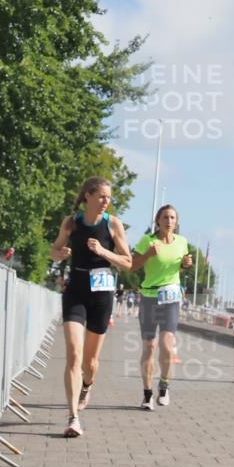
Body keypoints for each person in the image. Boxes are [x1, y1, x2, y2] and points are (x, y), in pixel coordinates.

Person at [50, 177, 132, 437]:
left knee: (90, 362)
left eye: (109, 198)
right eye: (102, 197)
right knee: (74, 354)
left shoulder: (113, 224)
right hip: (75, 291)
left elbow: (128, 262)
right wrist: (59, 254)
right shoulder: (71, 222)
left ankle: (87, 385)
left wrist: (104, 252)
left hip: (101, 295)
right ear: (88, 196)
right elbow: (54, 249)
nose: (106, 201)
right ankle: (73, 417)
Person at [131, 205, 193, 409]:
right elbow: (132, 265)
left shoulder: (182, 242)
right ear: (158, 220)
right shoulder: (147, 241)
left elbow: (182, 264)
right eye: (165, 217)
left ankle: (164, 386)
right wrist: (148, 254)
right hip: (149, 295)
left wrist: (186, 264)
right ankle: (147, 394)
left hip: (171, 297)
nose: (169, 221)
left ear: (177, 222)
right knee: (149, 346)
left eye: (173, 217)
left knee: (167, 345)